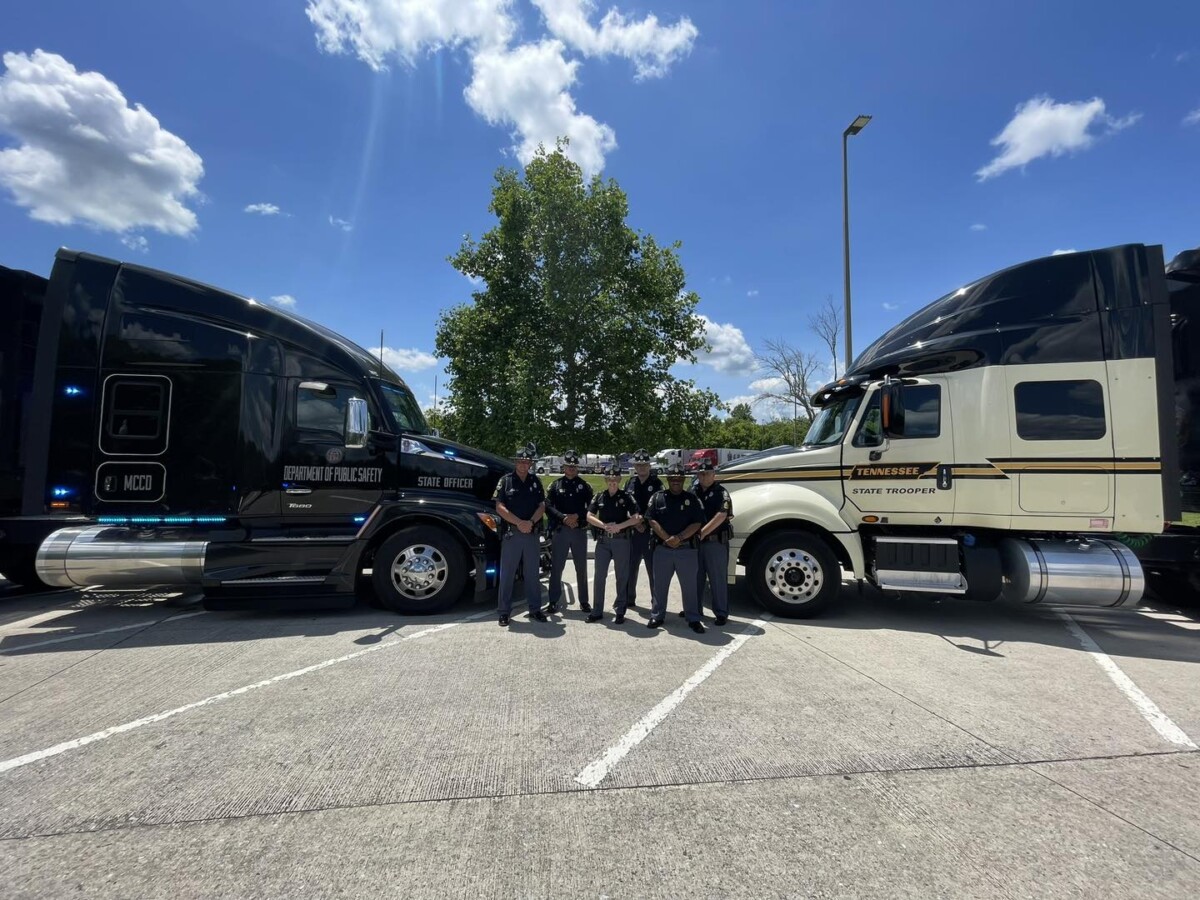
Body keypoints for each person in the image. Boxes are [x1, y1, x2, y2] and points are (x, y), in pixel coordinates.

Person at [645, 463, 706, 633]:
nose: (676, 481)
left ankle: (693, 618)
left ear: (684, 479)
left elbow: (697, 522)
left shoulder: (692, 499)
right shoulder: (657, 497)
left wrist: (679, 538)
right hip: (663, 549)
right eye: (672, 478)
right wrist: (667, 538)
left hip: (686, 550)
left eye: (679, 478)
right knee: (660, 586)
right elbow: (651, 520)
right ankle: (657, 615)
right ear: (668, 480)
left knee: (690, 587)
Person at [494, 442, 547, 626]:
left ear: (530, 464)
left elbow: (542, 505)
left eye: (527, 462)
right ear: (516, 462)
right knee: (507, 574)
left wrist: (530, 522)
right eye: (521, 461)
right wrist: (519, 523)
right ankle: (504, 612)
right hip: (513, 534)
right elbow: (499, 506)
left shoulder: (535, 481)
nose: (524, 465)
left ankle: (535, 609)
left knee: (533, 574)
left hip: (531, 533)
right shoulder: (506, 481)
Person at [586, 465, 641, 623]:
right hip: (603, 541)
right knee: (599, 576)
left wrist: (620, 526)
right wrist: (603, 525)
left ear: (619, 480)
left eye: (615, 479)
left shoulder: (627, 496)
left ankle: (620, 610)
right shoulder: (599, 496)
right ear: (605, 480)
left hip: (621, 540)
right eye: (609, 479)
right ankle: (597, 611)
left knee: (621, 576)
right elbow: (589, 515)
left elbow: (636, 517)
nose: (612, 482)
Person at [545, 449, 594, 614]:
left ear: (577, 467)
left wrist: (577, 517)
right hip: (561, 531)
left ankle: (584, 601)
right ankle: (553, 601)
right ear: (563, 467)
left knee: (581, 568)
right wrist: (563, 518)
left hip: (579, 531)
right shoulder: (555, 485)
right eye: (568, 466)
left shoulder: (585, 486)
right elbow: (548, 506)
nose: (571, 469)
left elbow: (591, 508)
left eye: (574, 466)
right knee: (557, 568)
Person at [691, 458, 733, 626]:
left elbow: (722, 515)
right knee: (695, 578)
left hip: (715, 543)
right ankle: (694, 609)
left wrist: (702, 532)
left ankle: (721, 613)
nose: (703, 476)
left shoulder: (721, 492)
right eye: (700, 473)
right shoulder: (693, 491)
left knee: (717, 579)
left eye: (707, 473)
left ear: (714, 474)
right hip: (696, 543)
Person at [623, 449, 662, 610]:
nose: (641, 468)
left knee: (652, 569)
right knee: (630, 568)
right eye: (638, 465)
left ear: (649, 465)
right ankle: (628, 598)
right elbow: (625, 504)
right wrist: (634, 523)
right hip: (633, 532)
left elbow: (659, 507)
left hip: (650, 532)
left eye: (644, 464)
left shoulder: (657, 483)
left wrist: (644, 523)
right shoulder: (630, 482)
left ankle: (656, 601)